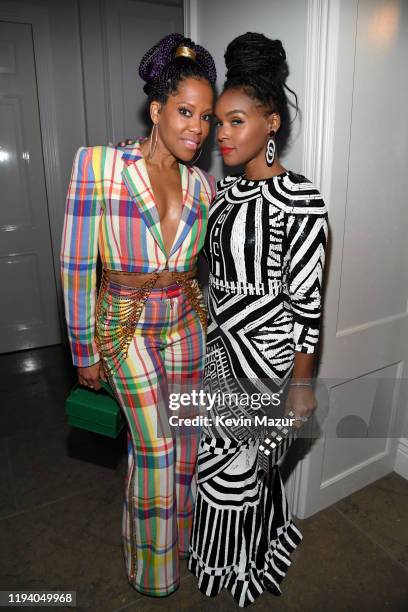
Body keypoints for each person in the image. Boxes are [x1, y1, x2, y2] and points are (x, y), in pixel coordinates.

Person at [60, 33, 217, 597]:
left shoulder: (203, 182)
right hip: (124, 326)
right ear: (155, 109)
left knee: (187, 441)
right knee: (154, 447)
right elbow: (77, 263)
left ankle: (179, 545)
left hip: (185, 326)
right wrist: (84, 352)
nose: (196, 128)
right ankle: (151, 573)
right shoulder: (101, 165)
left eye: (204, 116)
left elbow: (199, 266)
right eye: (183, 112)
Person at [187, 33, 329, 607]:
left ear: (271, 123)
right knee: (218, 469)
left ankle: (248, 565)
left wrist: (301, 385)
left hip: (265, 366)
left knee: (247, 477)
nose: (220, 134)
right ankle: (225, 562)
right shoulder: (220, 195)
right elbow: (206, 277)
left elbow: (307, 306)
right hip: (218, 357)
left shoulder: (303, 201)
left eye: (235, 121)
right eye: (219, 121)